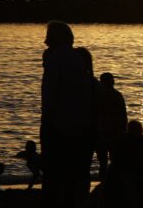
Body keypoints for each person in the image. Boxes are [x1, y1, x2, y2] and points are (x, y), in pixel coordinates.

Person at [40, 21, 97, 208]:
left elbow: (50, 94)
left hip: (57, 124)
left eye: (49, 36)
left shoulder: (56, 59)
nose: (45, 40)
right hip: (78, 124)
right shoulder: (77, 59)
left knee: (54, 172)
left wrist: (48, 120)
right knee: (73, 172)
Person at [96, 72, 127, 181]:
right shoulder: (117, 95)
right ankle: (113, 183)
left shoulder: (98, 96)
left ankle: (104, 184)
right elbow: (123, 116)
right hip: (113, 133)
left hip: (104, 134)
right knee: (114, 161)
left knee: (103, 162)